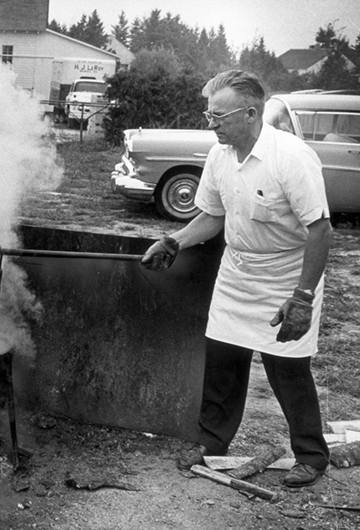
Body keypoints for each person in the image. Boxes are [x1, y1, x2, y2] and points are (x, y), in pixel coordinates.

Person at [142, 70, 332, 488]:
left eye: (218, 116)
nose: (211, 124)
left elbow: (320, 230)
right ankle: (212, 442)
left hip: (287, 274)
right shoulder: (219, 156)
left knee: (288, 368)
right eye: (208, 115)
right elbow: (212, 216)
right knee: (223, 361)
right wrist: (174, 241)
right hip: (238, 271)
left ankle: (311, 456)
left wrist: (301, 297)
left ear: (250, 114)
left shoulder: (291, 157)